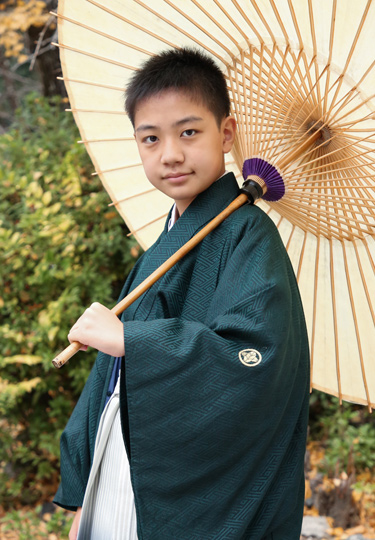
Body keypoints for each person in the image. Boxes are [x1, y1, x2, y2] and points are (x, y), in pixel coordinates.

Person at [54, 47, 310, 540]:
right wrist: (85, 479)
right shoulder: (168, 241)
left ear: (227, 133)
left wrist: (135, 341)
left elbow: (254, 357)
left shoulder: (249, 236)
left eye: (189, 132)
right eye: (150, 138)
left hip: (177, 484)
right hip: (121, 458)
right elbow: (109, 381)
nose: (170, 154)